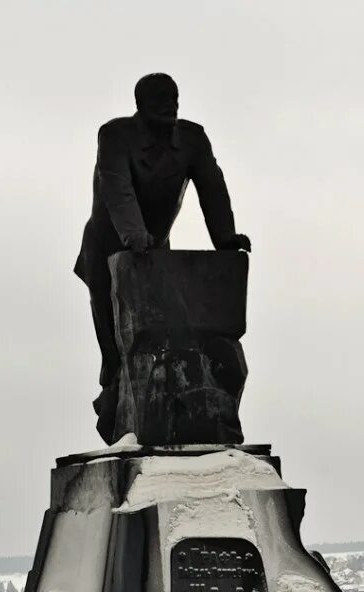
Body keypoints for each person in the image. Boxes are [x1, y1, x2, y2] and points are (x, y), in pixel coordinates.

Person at [73, 73, 251, 443]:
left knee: (156, 331)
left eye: (173, 96)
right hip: (108, 246)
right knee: (115, 344)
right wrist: (132, 235)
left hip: (151, 249)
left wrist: (225, 239)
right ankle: (114, 401)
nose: (169, 104)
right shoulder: (116, 136)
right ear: (140, 105)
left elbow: (212, 188)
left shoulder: (192, 139)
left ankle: (154, 409)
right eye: (159, 98)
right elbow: (117, 187)